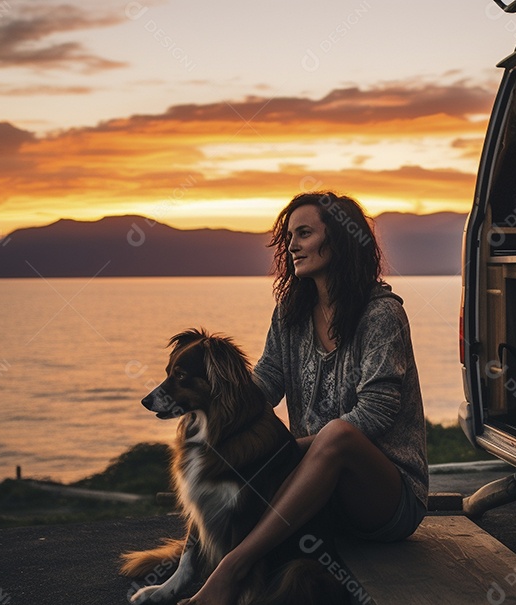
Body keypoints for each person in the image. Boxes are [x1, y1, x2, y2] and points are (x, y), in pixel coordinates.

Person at [183, 191, 428, 604]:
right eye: (289, 237)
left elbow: (377, 411)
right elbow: (265, 383)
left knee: (337, 435)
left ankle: (232, 570)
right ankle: (189, 567)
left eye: (304, 233)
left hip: (386, 500)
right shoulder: (291, 312)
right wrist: (213, 407)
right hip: (317, 498)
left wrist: (287, 453)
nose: (292, 246)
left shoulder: (381, 314)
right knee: (224, 447)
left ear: (340, 240)